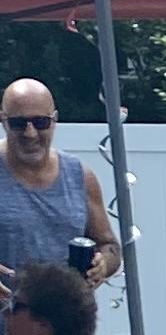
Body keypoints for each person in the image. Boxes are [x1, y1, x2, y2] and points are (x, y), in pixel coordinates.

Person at [0, 77, 121, 294]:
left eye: (41, 122)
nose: (30, 133)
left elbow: (110, 247)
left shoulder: (79, 176)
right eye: (18, 124)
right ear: (3, 121)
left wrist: (102, 265)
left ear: (54, 120)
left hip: (66, 314)